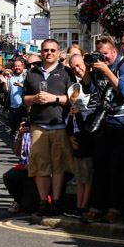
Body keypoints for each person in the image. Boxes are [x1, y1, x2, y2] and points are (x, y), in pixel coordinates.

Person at [82, 36, 124, 224]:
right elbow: (89, 88)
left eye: (106, 54)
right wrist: (87, 69)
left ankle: (115, 208)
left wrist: (106, 70)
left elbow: (123, 89)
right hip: (103, 123)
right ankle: (97, 207)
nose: (103, 58)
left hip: (123, 123)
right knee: (100, 166)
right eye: (100, 54)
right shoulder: (99, 67)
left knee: (117, 168)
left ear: (114, 52)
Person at [23, 39, 76, 217]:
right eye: (46, 50)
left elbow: (72, 100)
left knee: (59, 167)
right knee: (41, 166)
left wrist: (54, 98)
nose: (49, 53)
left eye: (53, 50)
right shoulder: (32, 73)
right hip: (38, 125)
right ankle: (43, 202)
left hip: (60, 125)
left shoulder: (66, 72)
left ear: (59, 52)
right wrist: (35, 99)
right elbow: (25, 99)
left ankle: (57, 202)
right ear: (41, 52)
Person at [65, 54, 95, 218]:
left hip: (89, 138)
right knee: (80, 177)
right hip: (78, 139)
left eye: (79, 65)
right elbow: (70, 120)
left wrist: (79, 115)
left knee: (87, 176)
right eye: (73, 67)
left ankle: (84, 206)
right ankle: (78, 206)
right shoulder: (76, 86)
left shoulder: (95, 82)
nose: (77, 69)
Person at [3, 59, 26, 136]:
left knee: (23, 129)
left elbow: (29, 88)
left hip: (24, 106)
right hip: (13, 107)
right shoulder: (10, 77)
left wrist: (20, 85)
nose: (17, 67)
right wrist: (5, 82)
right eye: (15, 66)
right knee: (14, 129)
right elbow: (6, 90)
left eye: (19, 66)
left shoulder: (25, 76)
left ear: (23, 66)